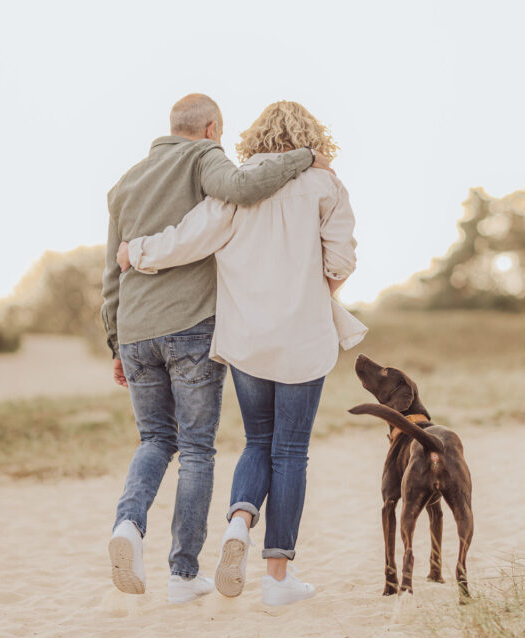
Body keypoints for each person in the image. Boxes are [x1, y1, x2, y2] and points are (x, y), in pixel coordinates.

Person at [118, 100, 361, 606]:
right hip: (303, 338)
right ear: (312, 138)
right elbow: (340, 261)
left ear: (254, 137)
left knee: (257, 442)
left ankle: (237, 525)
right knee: (290, 452)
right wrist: (315, 294)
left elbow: (186, 240)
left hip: (247, 338)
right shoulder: (326, 185)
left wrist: (134, 252)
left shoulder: (234, 187)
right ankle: (276, 579)